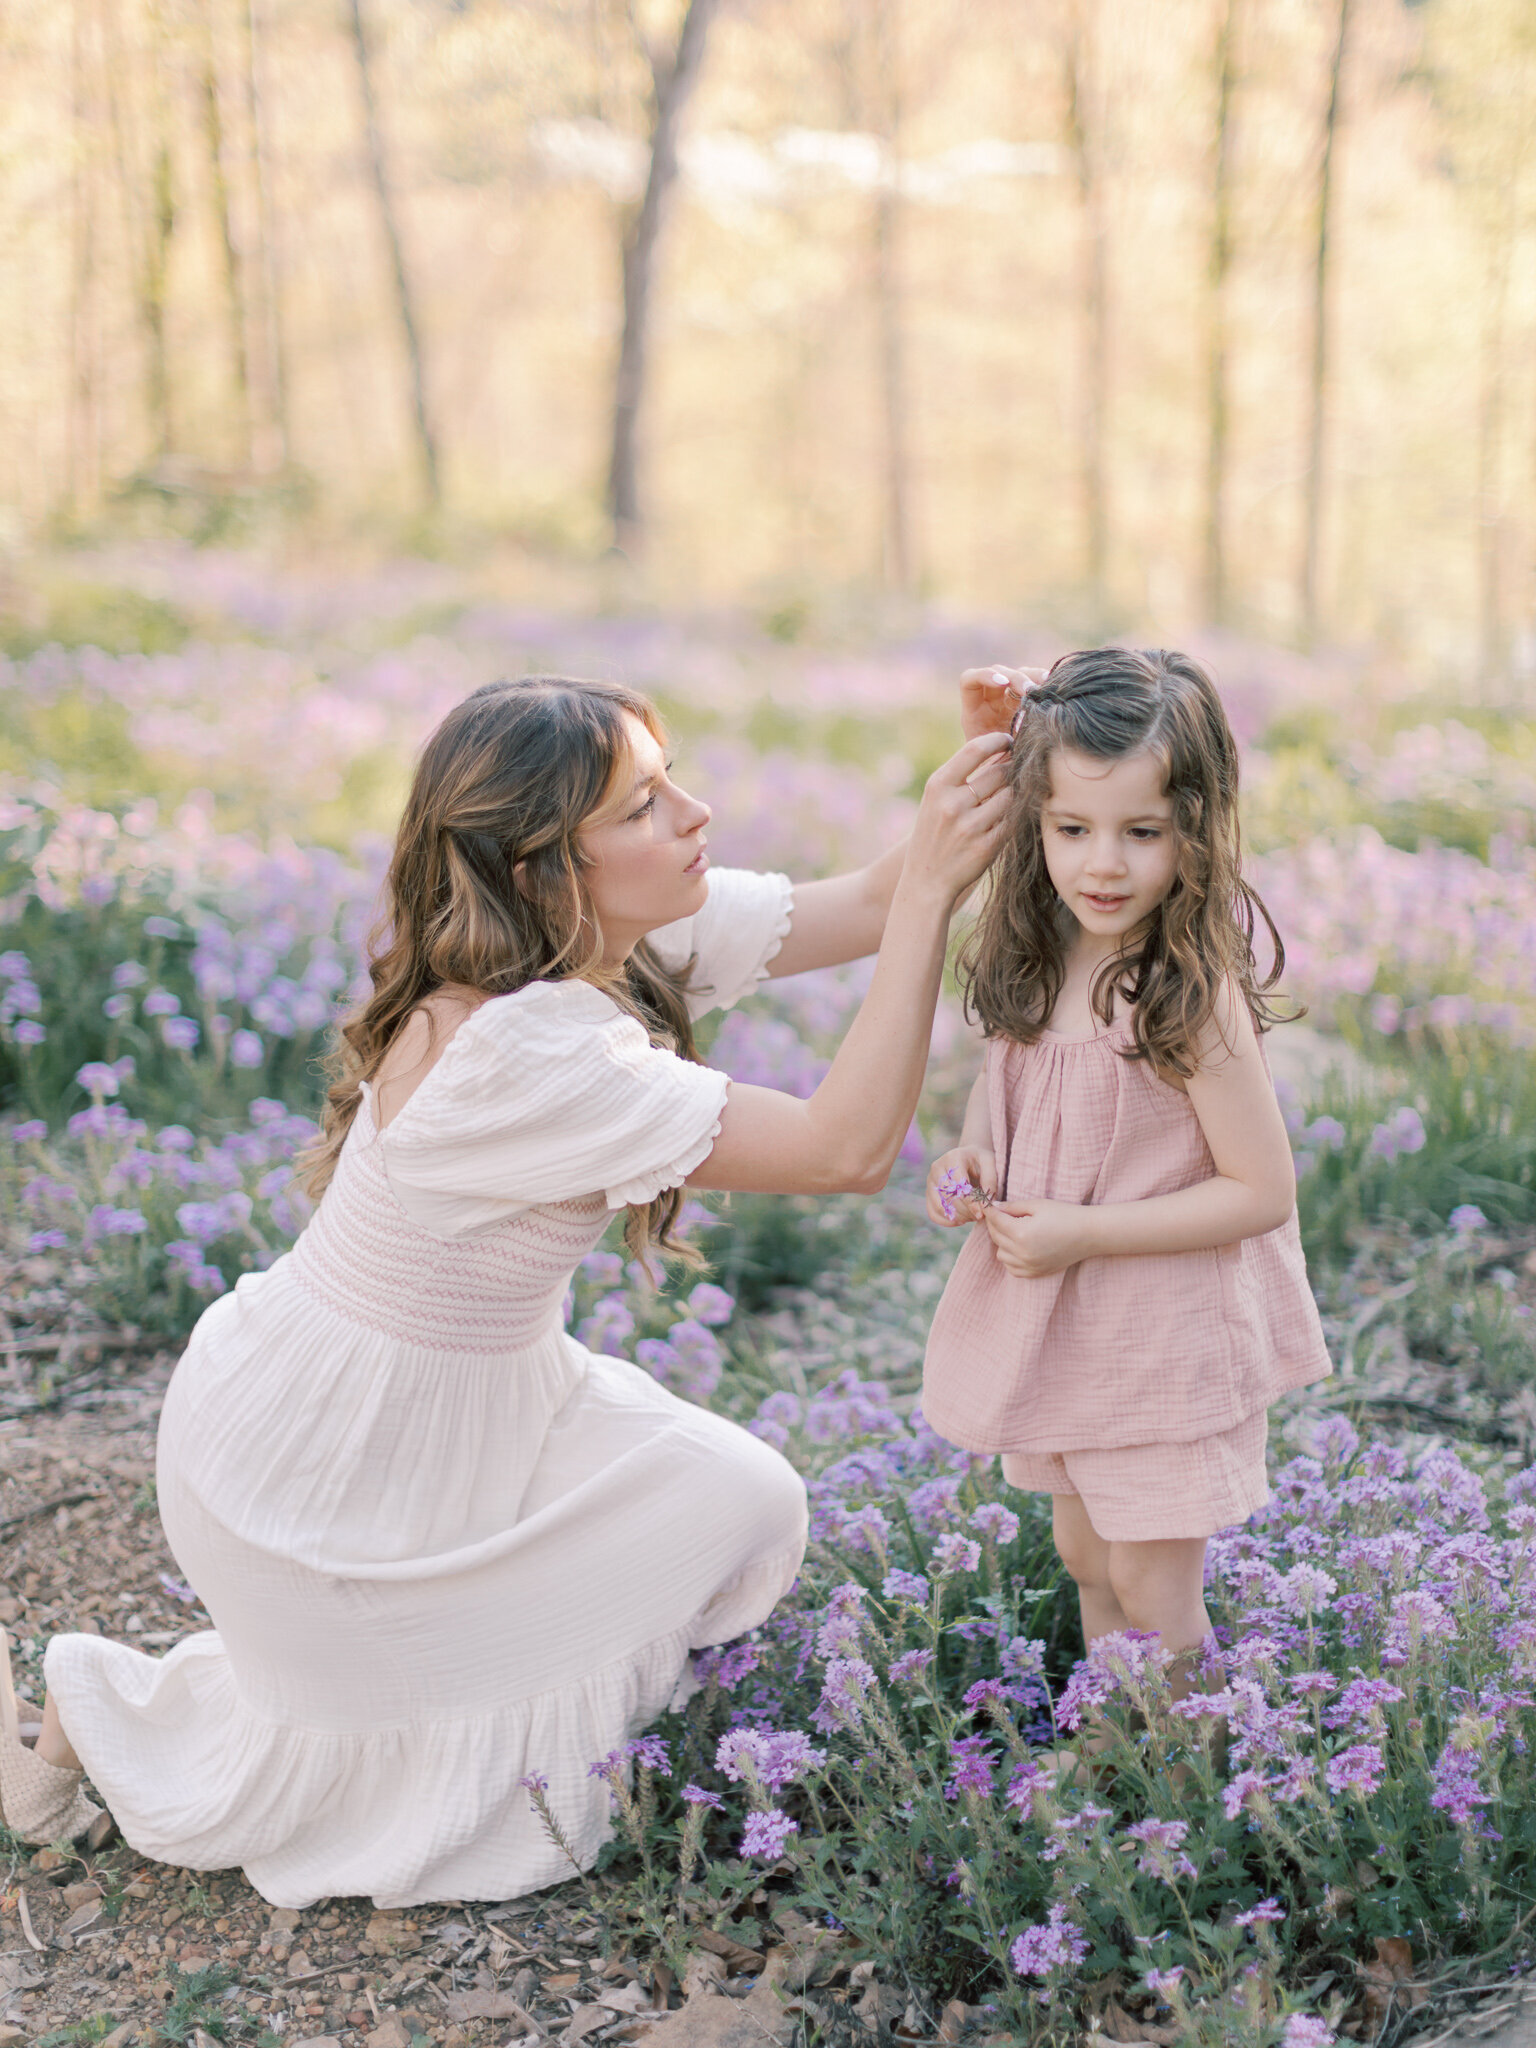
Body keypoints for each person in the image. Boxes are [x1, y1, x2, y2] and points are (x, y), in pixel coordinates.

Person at [0, 674, 1010, 1908]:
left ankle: (389, 1676)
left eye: (670, 777)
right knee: (398, 1691)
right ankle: (100, 1702)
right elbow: (843, 1148)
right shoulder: (514, 1052)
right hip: (321, 1458)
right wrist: (931, 914)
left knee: (740, 1500)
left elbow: (861, 897)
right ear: (542, 868)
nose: (695, 813)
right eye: (644, 805)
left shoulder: (591, 934)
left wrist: (983, 780)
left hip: (459, 1403)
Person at [923, 647, 1330, 1719]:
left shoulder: (1181, 995)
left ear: (1195, 830)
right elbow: (1003, 1087)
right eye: (1072, 829)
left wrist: (1084, 1232)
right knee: (1088, 1555)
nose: (1103, 864)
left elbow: (1259, 1189)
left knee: (1153, 1578)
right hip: (1069, 1327)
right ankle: (1122, 1735)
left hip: (1162, 1335)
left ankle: (1189, 1763)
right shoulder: (1041, 951)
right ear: (1036, 823)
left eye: (1142, 832)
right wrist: (973, 1155)